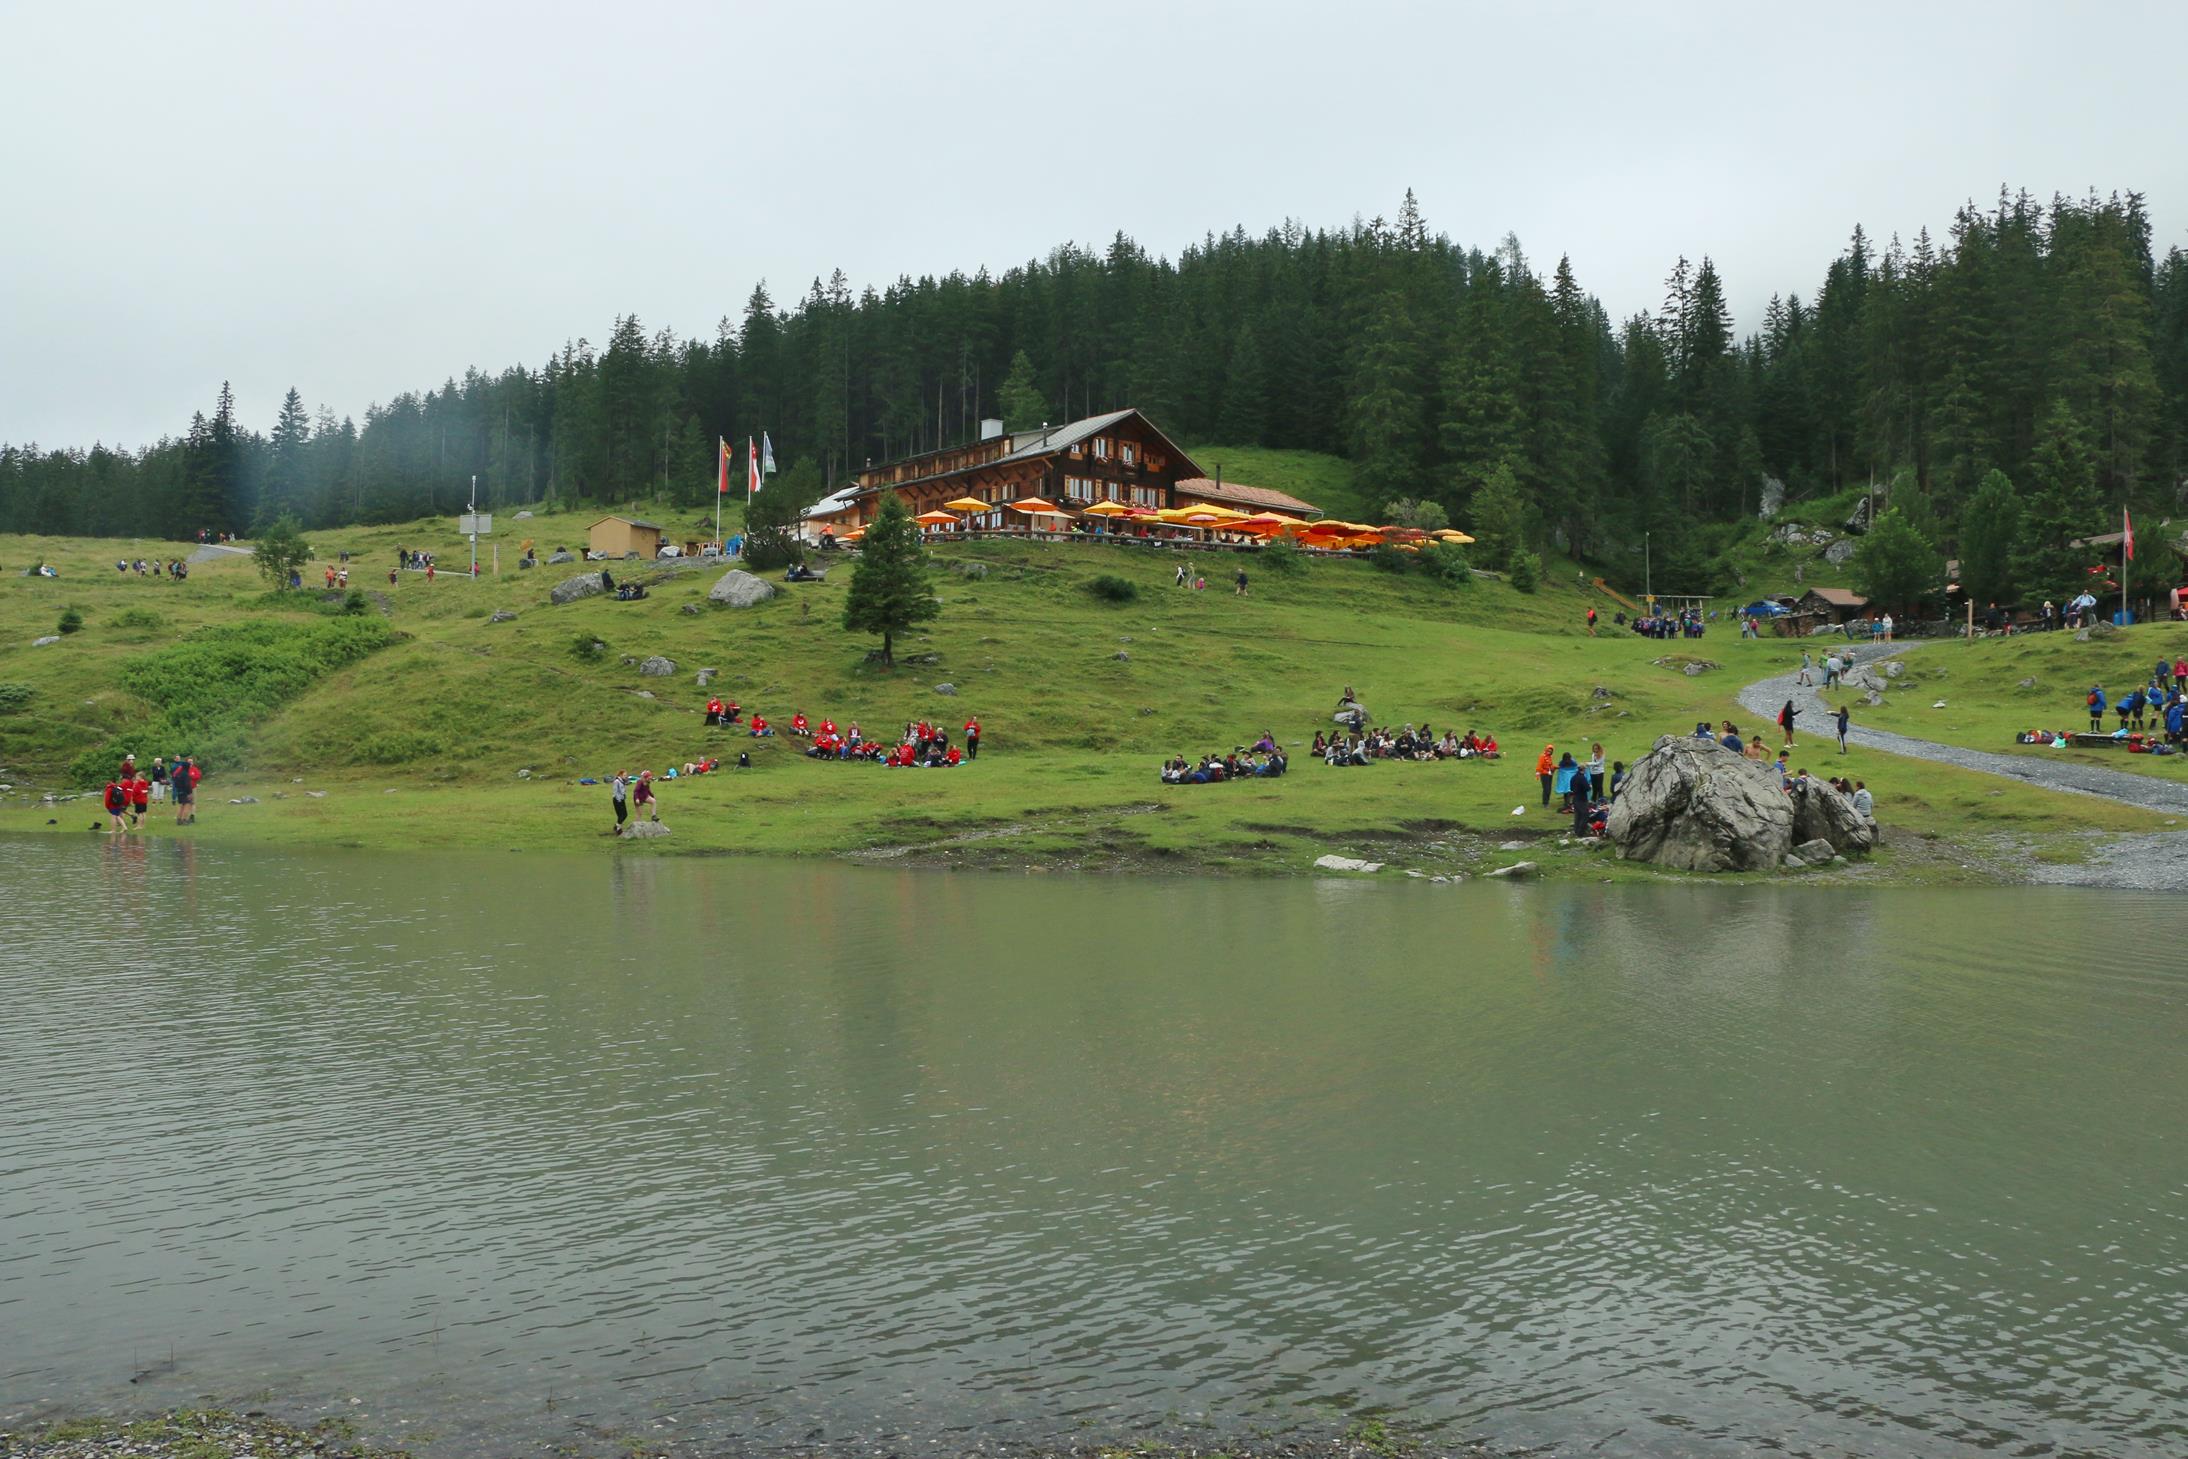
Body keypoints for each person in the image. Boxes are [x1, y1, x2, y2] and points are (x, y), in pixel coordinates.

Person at [1535, 743, 1555, 808]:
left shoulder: (1550, 757)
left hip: (1550, 774)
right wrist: (1546, 772)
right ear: (1546, 750)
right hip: (1544, 775)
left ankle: (1547, 801)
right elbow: (1539, 768)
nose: (1549, 752)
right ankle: (1545, 803)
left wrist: (1557, 767)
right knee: (1546, 789)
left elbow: (1551, 765)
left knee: (1549, 789)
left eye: (1551, 751)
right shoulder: (1542, 757)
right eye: (1548, 750)